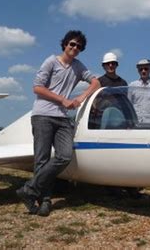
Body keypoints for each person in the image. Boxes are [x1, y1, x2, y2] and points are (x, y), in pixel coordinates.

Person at [16, 30, 100, 216]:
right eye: (72, 44)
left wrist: (80, 97)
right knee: (42, 159)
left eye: (78, 46)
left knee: (64, 155)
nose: (74, 48)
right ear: (64, 45)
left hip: (62, 118)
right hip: (42, 115)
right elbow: (37, 88)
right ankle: (44, 200)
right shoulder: (51, 61)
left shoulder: (78, 66)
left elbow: (96, 83)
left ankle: (28, 190)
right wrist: (62, 100)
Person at [128, 58, 150, 125]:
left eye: (146, 69)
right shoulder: (132, 86)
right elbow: (129, 106)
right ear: (138, 71)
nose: (143, 71)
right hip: (136, 124)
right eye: (140, 69)